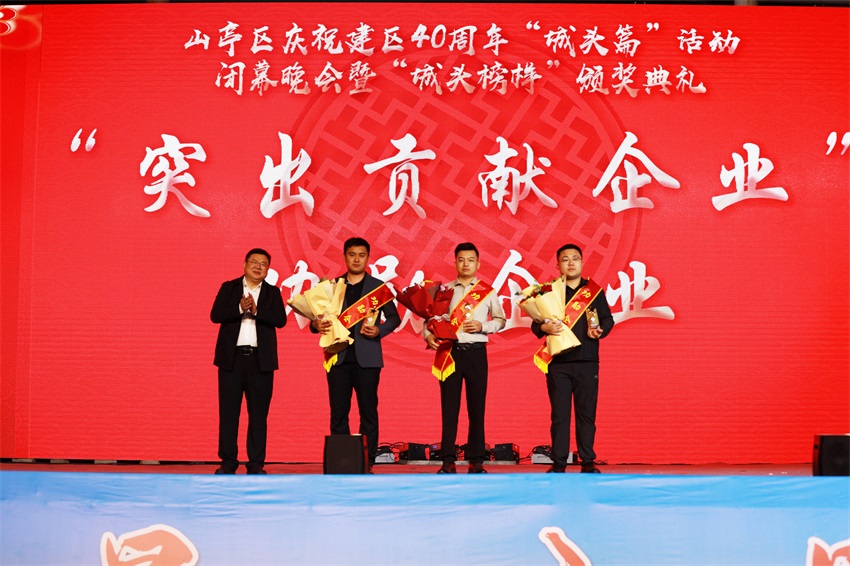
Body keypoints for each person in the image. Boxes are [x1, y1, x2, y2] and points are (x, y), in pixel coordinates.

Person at [312, 237, 400, 472]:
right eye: (352, 254)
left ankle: (367, 461)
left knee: (368, 411)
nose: (357, 259)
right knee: (338, 412)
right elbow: (316, 319)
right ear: (345, 257)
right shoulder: (333, 286)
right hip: (338, 357)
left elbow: (394, 318)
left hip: (368, 359)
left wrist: (379, 330)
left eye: (361, 255)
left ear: (368, 258)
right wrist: (316, 324)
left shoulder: (378, 287)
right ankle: (341, 462)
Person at [424, 242, 506, 474]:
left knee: (477, 408)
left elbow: (500, 320)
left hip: (476, 353)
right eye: (461, 260)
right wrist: (428, 335)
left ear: (478, 264)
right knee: (449, 408)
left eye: (470, 260)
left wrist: (483, 326)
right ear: (455, 263)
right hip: (450, 352)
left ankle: (476, 460)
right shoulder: (445, 291)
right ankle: (447, 460)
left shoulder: (487, 291)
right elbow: (430, 319)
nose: (466, 264)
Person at [531, 244, 614, 473]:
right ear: (558, 264)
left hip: (587, 361)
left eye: (575, 258)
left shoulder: (594, 291)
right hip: (558, 363)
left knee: (586, 414)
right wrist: (544, 327)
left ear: (582, 262)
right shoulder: (549, 292)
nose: (570, 263)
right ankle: (559, 461)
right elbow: (535, 323)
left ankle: (587, 461)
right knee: (560, 415)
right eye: (565, 259)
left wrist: (600, 331)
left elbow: (607, 319)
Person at [210, 248, 286, 475]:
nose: (257, 266)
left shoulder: (272, 292)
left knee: (258, 414)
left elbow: (280, 320)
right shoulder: (229, 287)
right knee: (228, 413)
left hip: (260, 361)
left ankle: (255, 463)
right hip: (231, 360)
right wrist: (239, 308)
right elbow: (216, 315)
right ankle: (228, 461)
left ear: (268, 269)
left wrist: (256, 310)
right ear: (244, 264)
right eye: (254, 262)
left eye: (263, 264)